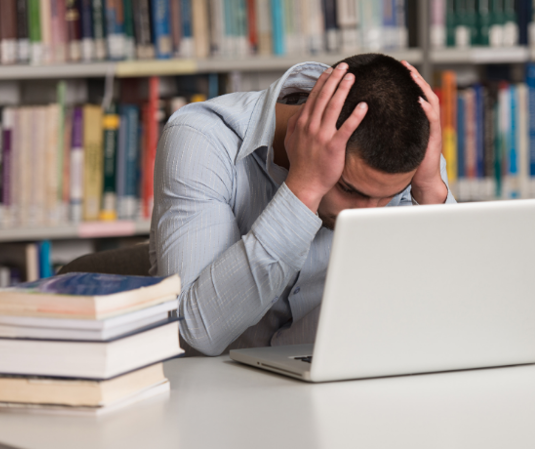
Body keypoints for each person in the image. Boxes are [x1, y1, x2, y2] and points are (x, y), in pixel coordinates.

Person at [149, 53, 456, 356]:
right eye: (349, 189)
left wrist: (430, 191)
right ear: (301, 129)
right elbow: (196, 334)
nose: (367, 216)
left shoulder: (407, 160)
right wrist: (303, 188)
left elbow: (455, 320)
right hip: (217, 384)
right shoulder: (203, 139)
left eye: (388, 197)